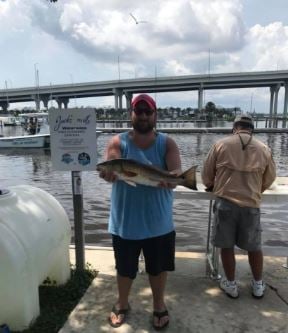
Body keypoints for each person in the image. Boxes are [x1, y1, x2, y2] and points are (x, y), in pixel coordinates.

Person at [99, 93, 182, 330]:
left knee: (158, 268)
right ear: (131, 114)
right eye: (139, 111)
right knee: (124, 269)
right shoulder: (117, 142)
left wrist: (172, 179)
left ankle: (158, 305)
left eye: (148, 112)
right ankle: (122, 303)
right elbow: (113, 164)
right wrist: (109, 173)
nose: (143, 116)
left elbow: (176, 173)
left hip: (159, 222)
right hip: (125, 222)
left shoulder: (167, 143)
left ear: (155, 115)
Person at [202, 114, 276, 299]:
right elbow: (270, 177)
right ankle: (258, 285)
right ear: (252, 129)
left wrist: (213, 185)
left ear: (234, 128)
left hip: (225, 203)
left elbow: (206, 174)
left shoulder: (220, 145)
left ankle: (231, 285)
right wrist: (256, 189)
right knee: (254, 247)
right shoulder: (264, 148)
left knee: (226, 247)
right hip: (251, 204)